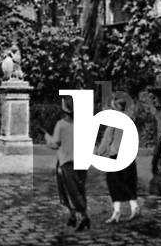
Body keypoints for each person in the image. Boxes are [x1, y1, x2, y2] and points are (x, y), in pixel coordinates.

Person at [45, 95, 89, 231]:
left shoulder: (61, 125)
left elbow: (55, 144)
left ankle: (82, 216)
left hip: (66, 162)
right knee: (79, 189)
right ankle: (74, 216)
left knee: (67, 190)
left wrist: (47, 138)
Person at [95, 93, 139, 223]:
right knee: (129, 182)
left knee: (114, 183)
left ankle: (117, 211)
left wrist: (98, 152)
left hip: (116, 156)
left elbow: (107, 140)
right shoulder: (130, 120)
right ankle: (134, 207)